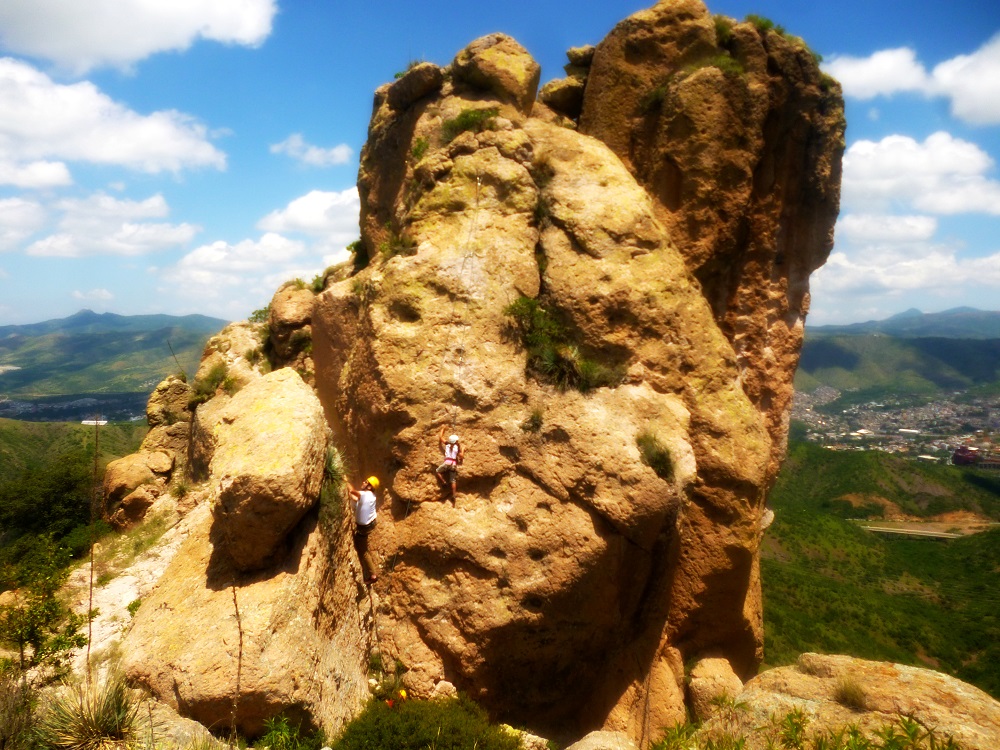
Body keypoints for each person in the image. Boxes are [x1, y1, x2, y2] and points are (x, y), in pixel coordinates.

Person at [348, 475, 380, 584]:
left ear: (370, 487)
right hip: (369, 524)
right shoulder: (370, 496)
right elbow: (356, 498)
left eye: (366, 482)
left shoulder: (366, 495)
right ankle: (370, 572)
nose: (363, 482)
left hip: (364, 527)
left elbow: (352, 491)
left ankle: (373, 575)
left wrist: (345, 481)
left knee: (363, 551)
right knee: (363, 545)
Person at [435, 425, 464, 501]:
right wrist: (463, 450)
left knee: (437, 471)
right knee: (453, 480)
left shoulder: (447, 444)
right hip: (453, 464)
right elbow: (461, 456)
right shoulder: (457, 447)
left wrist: (442, 429)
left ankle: (444, 482)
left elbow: (441, 437)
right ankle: (454, 495)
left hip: (447, 462)